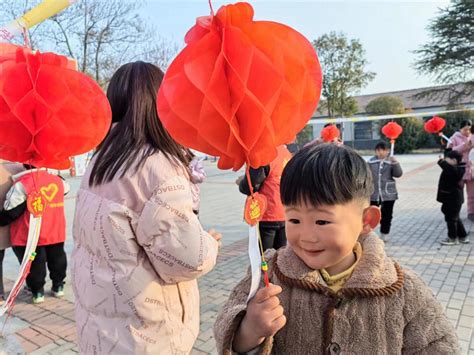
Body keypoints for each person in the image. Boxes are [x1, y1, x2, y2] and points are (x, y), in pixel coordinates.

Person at [214, 143, 458, 354]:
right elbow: (226, 324)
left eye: (322, 221)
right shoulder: (268, 275)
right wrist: (249, 331)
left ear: (367, 221)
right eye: (294, 220)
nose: (307, 237)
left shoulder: (402, 289)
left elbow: (439, 344)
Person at [71, 61, 221, 354]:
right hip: (145, 336)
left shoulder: (100, 162)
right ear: (163, 102)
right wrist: (208, 245)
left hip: (100, 330)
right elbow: (187, 259)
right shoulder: (157, 168)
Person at [0, 165, 69, 304]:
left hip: (32, 234)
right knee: (58, 258)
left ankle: (37, 292)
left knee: (35, 264)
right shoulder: (57, 181)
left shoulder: (22, 184)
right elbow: (66, 190)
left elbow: (10, 209)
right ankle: (58, 286)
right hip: (54, 230)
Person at [238, 145, 292, 252]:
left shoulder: (264, 154)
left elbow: (251, 185)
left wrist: (241, 183)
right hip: (285, 211)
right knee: (281, 254)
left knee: (265, 256)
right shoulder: (286, 153)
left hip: (268, 212)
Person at [368, 141, 403, 242]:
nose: (380, 152)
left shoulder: (391, 161)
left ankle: (384, 234)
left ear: (388, 151)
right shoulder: (371, 162)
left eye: (383, 150)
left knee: (387, 215)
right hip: (373, 194)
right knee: (371, 215)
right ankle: (369, 234)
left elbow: (398, 174)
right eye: (378, 150)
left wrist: (395, 163)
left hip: (388, 194)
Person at [0, 160, 24, 304]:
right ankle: (34, 286)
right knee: (26, 257)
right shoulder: (18, 167)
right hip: (19, 225)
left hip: (5, 224)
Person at [437, 150, 470, 245]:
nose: (445, 161)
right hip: (449, 198)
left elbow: (449, 170)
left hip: (454, 199)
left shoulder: (458, 170)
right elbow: (447, 169)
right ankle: (463, 236)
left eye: (447, 159)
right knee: (453, 216)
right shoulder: (453, 168)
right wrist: (443, 162)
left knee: (451, 219)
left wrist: (441, 162)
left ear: (454, 160)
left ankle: (452, 238)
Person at [448, 120, 474, 220]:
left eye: (469, 129)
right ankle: (455, 212)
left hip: (471, 169)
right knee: (457, 193)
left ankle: (471, 213)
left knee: (472, 193)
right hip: (459, 170)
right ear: (460, 129)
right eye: (465, 129)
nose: (467, 132)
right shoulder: (454, 138)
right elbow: (450, 151)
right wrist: (464, 146)